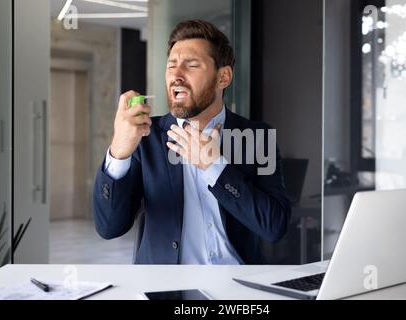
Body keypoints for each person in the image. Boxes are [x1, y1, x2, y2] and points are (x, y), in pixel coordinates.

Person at [93, 19, 291, 264]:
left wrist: (215, 167)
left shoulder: (257, 138)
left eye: (191, 65)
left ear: (223, 77)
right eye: (171, 66)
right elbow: (109, 228)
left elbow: (275, 227)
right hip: (168, 290)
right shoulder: (146, 137)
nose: (176, 75)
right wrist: (119, 152)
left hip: (237, 291)